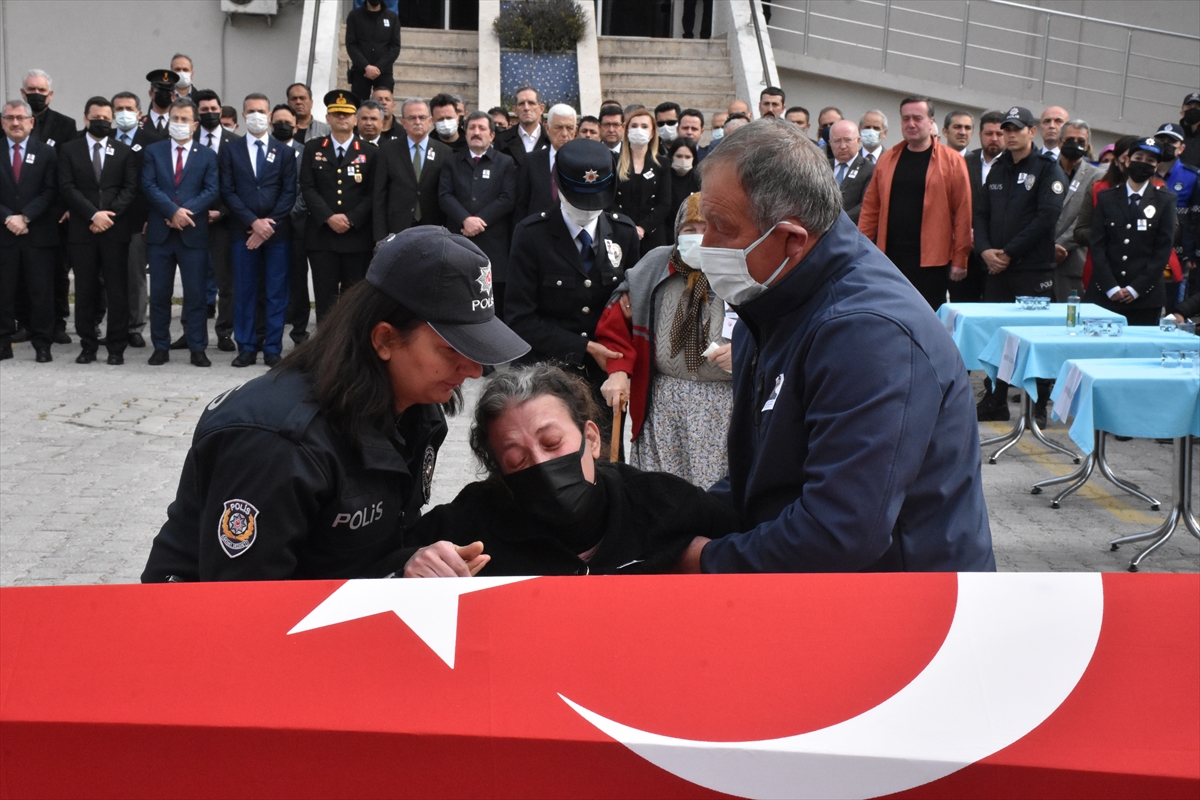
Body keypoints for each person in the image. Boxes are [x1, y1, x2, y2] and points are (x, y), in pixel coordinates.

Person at [673, 118, 994, 574]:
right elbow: (764, 475)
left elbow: (840, 531)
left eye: (722, 228)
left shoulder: (868, 336)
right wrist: (672, 518)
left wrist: (700, 561)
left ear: (791, 240)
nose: (705, 246)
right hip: (829, 594)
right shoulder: (772, 301)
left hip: (906, 613)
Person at [141, 226, 530, 582]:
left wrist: (407, 564)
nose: (476, 371)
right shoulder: (278, 444)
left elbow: (367, 549)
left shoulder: (416, 404)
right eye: (452, 350)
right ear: (384, 339)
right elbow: (243, 608)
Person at [367, 363, 740, 578]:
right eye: (517, 459)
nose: (542, 465)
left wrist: (710, 557)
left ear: (591, 438)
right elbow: (366, 569)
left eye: (551, 443)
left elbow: (756, 549)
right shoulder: (473, 522)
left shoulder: (660, 501)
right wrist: (408, 567)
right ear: (499, 474)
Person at [595, 192, 734, 488]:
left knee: (715, 493)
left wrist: (744, 352)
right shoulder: (655, 265)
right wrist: (619, 371)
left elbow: (774, 329)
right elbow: (616, 323)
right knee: (658, 490)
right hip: (663, 402)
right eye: (689, 230)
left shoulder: (740, 268)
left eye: (708, 228)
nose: (699, 238)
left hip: (723, 406)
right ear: (676, 231)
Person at [505, 138, 641, 423]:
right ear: (560, 186)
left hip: (602, 381)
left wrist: (622, 369)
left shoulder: (623, 232)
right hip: (546, 374)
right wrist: (585, 348)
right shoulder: (531, 234)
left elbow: (629, 311)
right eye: (581, 199)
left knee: (602, 461)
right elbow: (519, 318)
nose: (589, 209)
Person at [973, 106, 1068, 425]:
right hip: (997, 269)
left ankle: (1039, 404)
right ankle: (996, 398)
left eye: (1016, 129)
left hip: (1031, 270)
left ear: (1032, 131)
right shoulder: (999, 168)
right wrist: (985, 250)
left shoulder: (1046, 169)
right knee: (997, 336)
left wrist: (1008, 253)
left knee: (1037, 339)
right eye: (1005, 129)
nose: (1009, 134)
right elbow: (981, 214)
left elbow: (1046, 218)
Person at [858, 96, 973, 311]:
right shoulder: (888, 158)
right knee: (889, 313)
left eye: (917, 118)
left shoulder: (952, 161)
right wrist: (861, 249)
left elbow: (963, 213)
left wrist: (960, 258)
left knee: (926, 318)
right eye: (905, 119)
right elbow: (871, 209)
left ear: (931, 122)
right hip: (890, 258)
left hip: (932, 262)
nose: (911, 124)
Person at [59, 96, 139, 365]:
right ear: (85, 118)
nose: (102, 122)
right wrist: (93, 214)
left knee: (117, 290)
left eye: (107, 118)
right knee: (85, 290)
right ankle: (88, 345)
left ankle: (116, 347)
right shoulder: (69, 150)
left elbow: (130, 189)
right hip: (83, 230)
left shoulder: (124, 151)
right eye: (96, 118)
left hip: (115, 231)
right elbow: (68, 187)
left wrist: (108, 216)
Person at [219, 93, 297, 368]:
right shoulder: (230, 150)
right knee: (245, 291)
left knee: (276, 292)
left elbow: (289, 192)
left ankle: (273, 348)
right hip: (244, 232)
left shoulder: (285, 152)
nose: (256, 116)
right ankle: (247, 347)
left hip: (277, 234)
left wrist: (268, 224)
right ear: (243, 114)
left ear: (269, 116)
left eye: (261, 111)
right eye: (251, 111)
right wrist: (253, 222)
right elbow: (227, 191)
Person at [142, 97, 220, 367]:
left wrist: (184, 213)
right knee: (160, 294)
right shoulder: (154, 151)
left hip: (192, 234)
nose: (179, 123)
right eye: (175, 118)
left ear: (195, 124)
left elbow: (211, 190)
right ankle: (160, 346)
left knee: (196, 295)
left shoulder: (208, 155)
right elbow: (149, 185)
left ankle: (198, 347)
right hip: (160, 236)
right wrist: (170, 212)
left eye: (185, 119)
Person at [297, 91, 376, 325]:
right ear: (328, 118)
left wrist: (351, 219)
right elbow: (308, 187)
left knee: (355, 298)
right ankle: (325, 349)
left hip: (357, 236)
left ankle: (352, 347)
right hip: (322, 236)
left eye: (347, 114)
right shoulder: (313, 148)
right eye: (336, 114)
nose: (342, 118)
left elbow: (373, 192)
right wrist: (329, 217)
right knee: (324, 299)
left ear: (356, 120)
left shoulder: (371, 152)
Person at [1084, 137, 1177, 327]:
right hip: (1104, 292)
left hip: (1145, 297)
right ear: (1127, 161)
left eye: (1150, 161)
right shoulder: (1106, 198)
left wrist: (1136, 289)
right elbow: (1097, 245)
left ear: (1157, 166)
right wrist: (1110, 286)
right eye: (1139, 157)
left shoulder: (1165, 201)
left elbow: (1162, 251)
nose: (1143, 163)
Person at [438, 110, 517, 319]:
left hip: (494, 246)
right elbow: (445, 195)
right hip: (459, 240)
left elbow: (507, 198)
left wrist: (480, 221)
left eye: (482, 128)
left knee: (492, 306)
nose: (476, 132)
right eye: (472, 128)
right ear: (465, 133)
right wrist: (465, 219)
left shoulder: (505, 163)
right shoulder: (452, 161)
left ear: (492, 135)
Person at [1, 98, 58, 363]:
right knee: (3, 291)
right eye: (9, 118)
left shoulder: (46, 152)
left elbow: (50, 191)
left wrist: (25, 217)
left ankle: (42, 343)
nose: (15, 122)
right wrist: (8, 218)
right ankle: (3, 342)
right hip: (3, 234)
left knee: (41, 292)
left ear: (31, 122)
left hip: (37, 234)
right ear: (2, 122)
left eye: (20, 118)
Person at [110, 91, 161, 350]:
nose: (123, 112)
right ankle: (111, 325)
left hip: (136, 221)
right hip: (106, 220)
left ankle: (134, 326)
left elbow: (153, 184)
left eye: (128, 107)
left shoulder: (152, 141)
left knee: (134, 277)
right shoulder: (103, 139)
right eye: (118, 108)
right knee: (107, 276)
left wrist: (150, 217)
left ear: (140, 113)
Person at [192, 89, 240, 352]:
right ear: (196, 113)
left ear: (221, 111)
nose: (209, 113)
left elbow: (239, 182)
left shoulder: (235, 142)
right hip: (192, 220)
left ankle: (225, 332)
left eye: (214, 109)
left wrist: (221, 211)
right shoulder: (187, 139)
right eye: (204, 110)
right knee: (194, 281)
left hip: (224, 221)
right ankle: (191, 333)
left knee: (226, 283)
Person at [372, 98, 450, 240]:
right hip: (397, 228)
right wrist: (380, 236)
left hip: (433, 228)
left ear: (430, 120)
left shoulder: (444, 152)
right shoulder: (387, 150)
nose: (418, 122)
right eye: (412, 118)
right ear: (403, 122)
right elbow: (379, 196)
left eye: (422, 117)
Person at [950, 110, 1006, 304]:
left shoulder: (1014, 167)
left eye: (999, 134)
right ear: (980, 135)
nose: (994, 138)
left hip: (999, 256)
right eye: (989, 133)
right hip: (967, 255)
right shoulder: (964, 163)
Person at [270, 104, 313, 345]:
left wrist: (286, 215)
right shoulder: (265, 151)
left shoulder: (305, 152)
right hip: (269, 228)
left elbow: (306, 189)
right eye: (278, 122)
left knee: (298, 281)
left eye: (287, 122)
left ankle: (299, 332)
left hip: (296, 225)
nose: (283, 126)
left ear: (296, 126)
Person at [1052, 120, 1100, 301]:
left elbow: (1089, 218)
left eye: (1081, 141)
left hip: (1073, 263)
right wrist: (1046, 247)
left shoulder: (1097, 177)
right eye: (1070, 139)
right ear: (1059, 142)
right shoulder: (1044, 169)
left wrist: (1061, 245)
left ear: (1087, 145)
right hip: (1039, 259)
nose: (1075, 144)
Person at [613, 107, 671, 257]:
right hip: (620, 233)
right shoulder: (614, 161)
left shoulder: (662, 164)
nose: (639, 130)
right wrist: (628, 227)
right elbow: (609, 198)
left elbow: (664, 202)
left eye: (644, 127)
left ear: (652, 133)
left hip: (652, 235)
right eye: (634, 126)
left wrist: (643, 228)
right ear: (626, 131)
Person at [1153, 122, 1198, 308]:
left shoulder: (1192, 176)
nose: (1165, 145)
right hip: (1143, 251)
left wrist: (1190, 255)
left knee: (1171, 304)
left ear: (1181, 148)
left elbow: (1196, 218)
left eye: (1171, 141)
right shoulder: (1144, 172)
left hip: (1175, 255)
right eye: (1161, 140)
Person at [515, 103, 576, 223]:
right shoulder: (531, 161)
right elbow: (521, 205)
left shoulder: (583, 163)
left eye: (569, 128)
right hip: (537, 232)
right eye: (558, 127)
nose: (564, 134)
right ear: (547, 128)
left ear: (576, 131)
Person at [345, 0, 400, 102]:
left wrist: (379, 67)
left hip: (384, 72)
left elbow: (395, 47)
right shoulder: (354, 16)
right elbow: (351, 45)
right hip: (360, 72)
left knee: (383, 109)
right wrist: (365, 67)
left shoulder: (392, 17)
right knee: (359, 107)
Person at [828, 119, 872, 224]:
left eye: (847, 140)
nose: (843, 146)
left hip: (851, 230)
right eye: (837, 141)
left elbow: (866, 204)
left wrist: (837, 222)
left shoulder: (869, 170)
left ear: (858, 141)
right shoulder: (822, 167)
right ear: (830, 143)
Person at [495, 86, 549, 170]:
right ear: (515, 110)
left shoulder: (551, 141)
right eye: (521, 103)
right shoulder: (502, 140)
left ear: (541, 109)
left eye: (531, 103)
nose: (526, 108)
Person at [664, 138, 701, 242]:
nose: (683, 160)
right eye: (679, 156)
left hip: (690, 235)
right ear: (672, 156)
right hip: (666, 233)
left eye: (687, 157)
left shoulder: (698, 180)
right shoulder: (664, 177)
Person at [142, 70, 178, 137]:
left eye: (167, 91)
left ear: (173, 96)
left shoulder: (179, 123)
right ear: (151, 94)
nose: (164, 94)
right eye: (160, 91)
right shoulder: (139, 123)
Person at [1181, 92, 1200, 169]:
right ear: (1182, 111)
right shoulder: (1174, 135)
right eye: (1189, 106)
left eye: (1197, 107)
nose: (1193, 109)